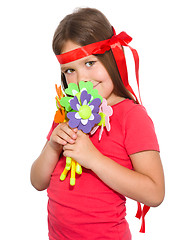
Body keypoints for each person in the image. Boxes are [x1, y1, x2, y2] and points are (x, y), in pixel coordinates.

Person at [30, 7, 165, 240]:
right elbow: (37, 181)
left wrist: (94, 159)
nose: (81, 79)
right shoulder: (66, 112)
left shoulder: (132, 116)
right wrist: (53, 146)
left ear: (112, 57)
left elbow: (155, 193)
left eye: (90, 63)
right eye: (70, 70)